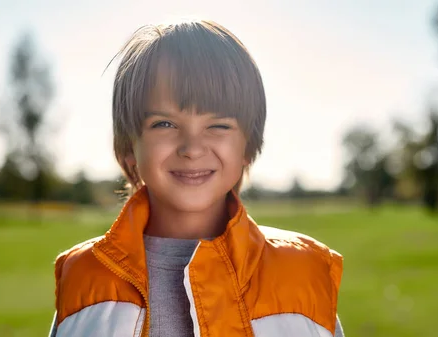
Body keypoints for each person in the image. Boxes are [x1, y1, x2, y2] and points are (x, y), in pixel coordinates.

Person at [49, 19, 345, 337]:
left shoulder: (303, 273)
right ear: (128, 147)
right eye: (164, 124)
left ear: (248, 145)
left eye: (218, 125)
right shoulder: (83, 275)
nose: (192, 148)